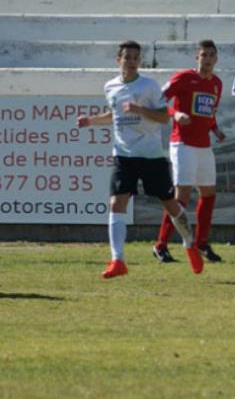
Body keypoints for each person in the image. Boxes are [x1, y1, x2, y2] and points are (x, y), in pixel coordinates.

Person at [76, 42, 203, 278]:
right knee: (116, 204)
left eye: (136, 57)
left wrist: (139, 110)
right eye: (127, 57)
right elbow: (115, 114)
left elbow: (164, 117)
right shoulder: (110, 86)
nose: (132, 61)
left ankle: (189, 243)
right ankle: (118, 260)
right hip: (124, 155)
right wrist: (91, 121)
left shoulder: (149, 86)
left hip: (151, 155)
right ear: (119, 60)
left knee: (171, 205)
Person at [153, 40, 226, 265]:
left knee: (209, 193)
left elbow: (210, 113)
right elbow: (159, 100)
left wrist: (216, 130)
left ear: (216, 59)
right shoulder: (184, 77)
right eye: (204, 54)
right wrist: (175, 114)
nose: (208, 59)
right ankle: (161, 245)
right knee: (181, 198)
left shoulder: (217, 83)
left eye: (211, 55)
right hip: (182, 144)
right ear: (197, 57)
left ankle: (202, 242)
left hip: (204, 145)